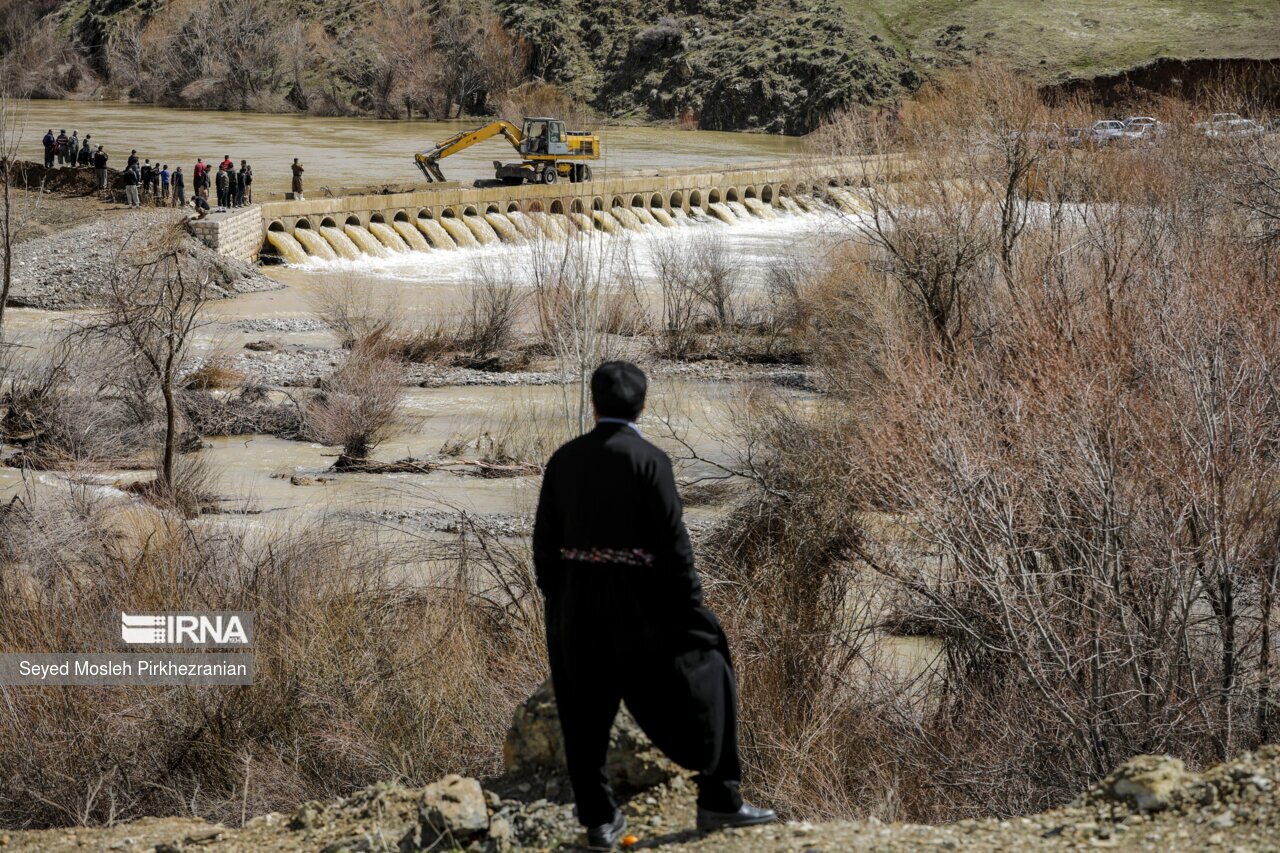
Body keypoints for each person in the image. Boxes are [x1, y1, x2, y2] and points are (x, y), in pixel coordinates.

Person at [532, 361, 776, 849]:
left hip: (576, 603)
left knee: (584, 712)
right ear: (642, 405)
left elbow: (544, 542)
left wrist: (559, 597)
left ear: (594, 404)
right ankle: (719, 800)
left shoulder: (565, 458)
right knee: (712, 665)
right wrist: (691, 606)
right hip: (643, 604)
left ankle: (599, 821)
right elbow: (673, 542)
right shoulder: (650, 460)